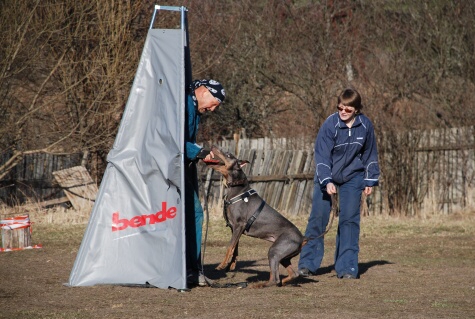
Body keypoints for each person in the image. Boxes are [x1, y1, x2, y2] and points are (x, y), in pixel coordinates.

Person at [298, 88, 380, 279]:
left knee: (349, 221)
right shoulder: (330, 125)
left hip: (353, 177)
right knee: (318, 219)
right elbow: (322, 156)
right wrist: (327, 180)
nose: (343, 112)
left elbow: (370, 154)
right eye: (340, 108)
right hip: (326, 177)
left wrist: (370, 179)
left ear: (357, 110)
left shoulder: (365, 126)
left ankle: (346, 268)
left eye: (348, 109)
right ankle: (307, 265)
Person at [184, 79, 225, 287]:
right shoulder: (184, 105)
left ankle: (191, 268)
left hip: (184, 166)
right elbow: (174, 139)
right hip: (174, 168)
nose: (213, 109)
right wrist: (197, 152)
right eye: (215, 102)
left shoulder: (192, 108)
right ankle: (191, 269)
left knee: (193, 214)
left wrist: (199, 152)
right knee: (194, 214)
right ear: (204, 91)